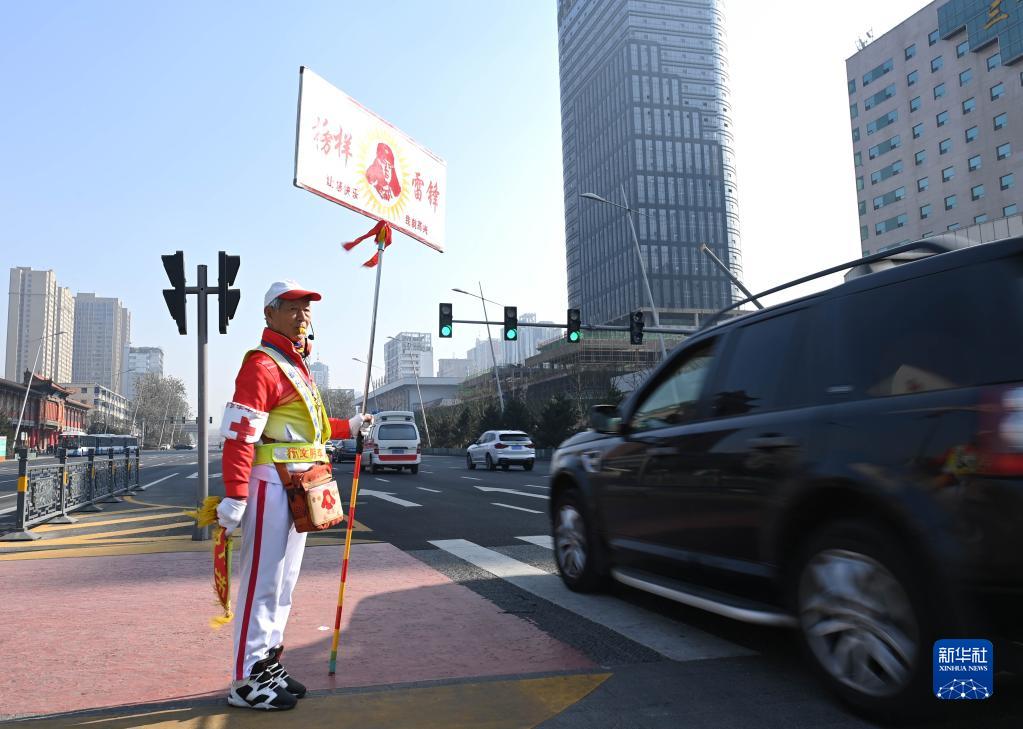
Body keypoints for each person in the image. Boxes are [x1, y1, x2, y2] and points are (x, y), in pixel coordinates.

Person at [217, 279, 371, 711]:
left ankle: (268, 663)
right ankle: (246, 679)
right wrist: (235, 494)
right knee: (261, 583)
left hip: (302, 486)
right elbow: (240, 433)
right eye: (292, 309)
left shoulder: (296, 366)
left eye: (307, 310)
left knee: (283, 584)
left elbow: (313, 430)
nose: (302, 317)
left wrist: (349, 427)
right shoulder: (262, 364)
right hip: (270, 483)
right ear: (270, 314)